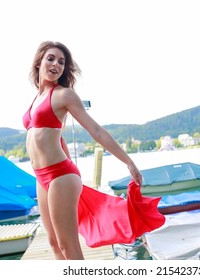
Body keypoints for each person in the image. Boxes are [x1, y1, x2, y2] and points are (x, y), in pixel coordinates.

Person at [23, 41, 143, 260]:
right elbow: (56, 137)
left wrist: (128, 162)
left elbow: (96, 130)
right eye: (51, 59)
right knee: (54, 243)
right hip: (41, 177)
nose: (56, 65)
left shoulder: (64, 95)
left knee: (67, 244)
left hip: (60, 175)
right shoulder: (35, 99)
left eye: (61, 62)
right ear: (39, 61)